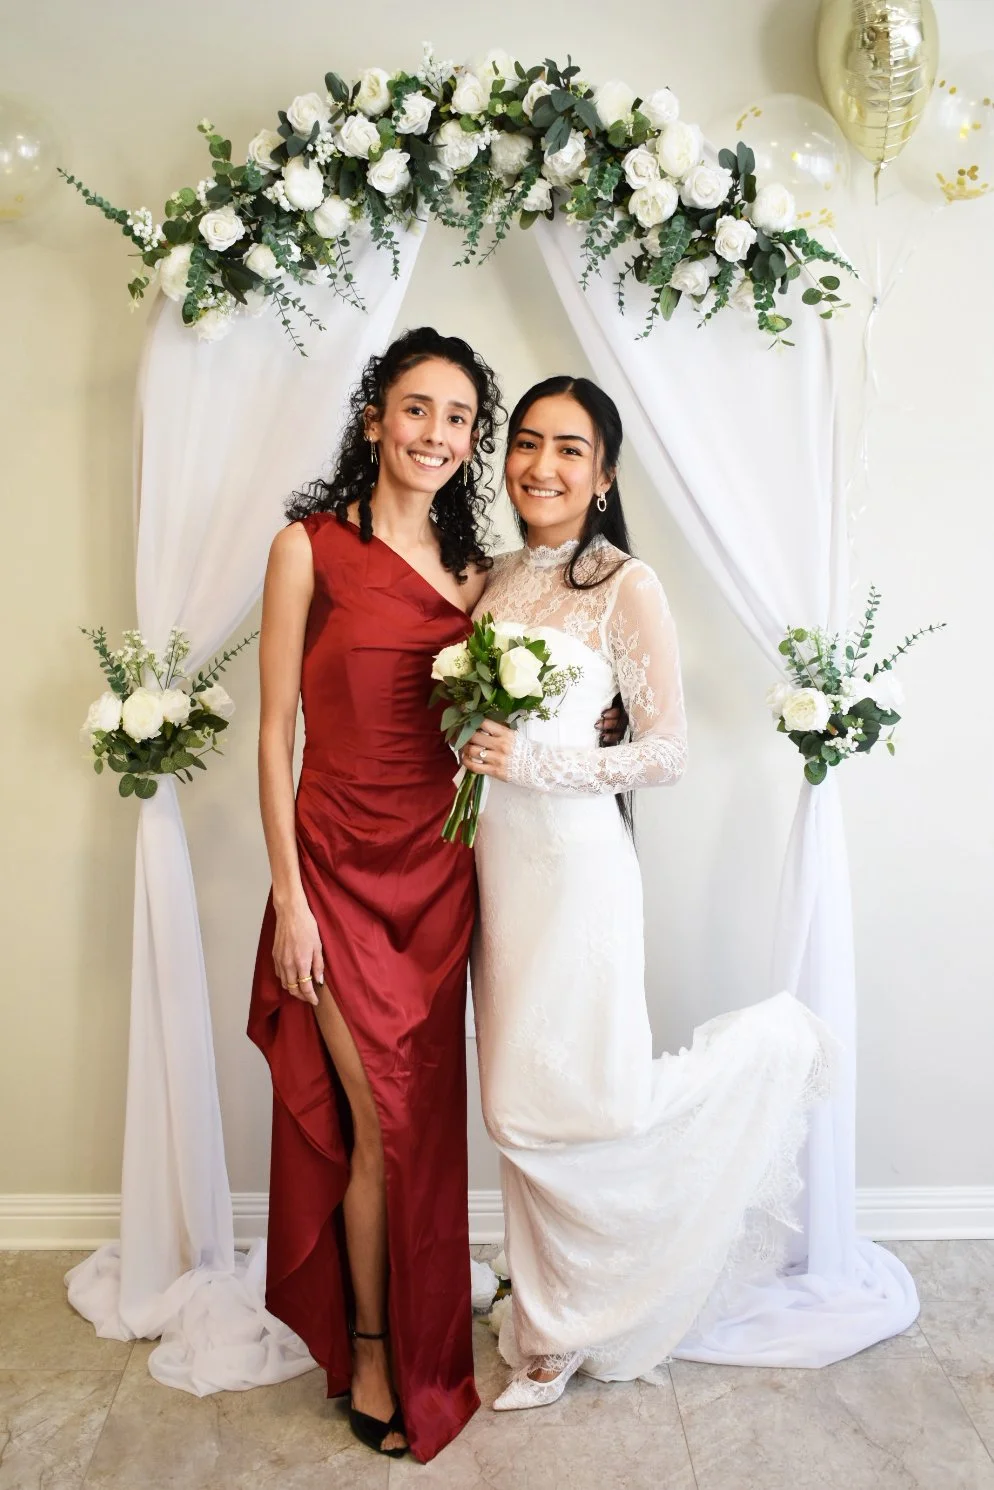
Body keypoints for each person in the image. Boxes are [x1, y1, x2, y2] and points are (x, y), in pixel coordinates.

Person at [462, 376, 836, 1410]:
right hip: (495, 868)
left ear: (603, 472)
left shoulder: (625, 583)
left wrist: (544, 762)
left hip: (577, 867)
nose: (542, 464)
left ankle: (767, 1052)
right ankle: (544, 1312)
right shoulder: (488, 580)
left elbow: (666, 749)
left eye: (569, 449)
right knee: (511, 1097)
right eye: (527, 443)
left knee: (580, 1099)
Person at [246, 327, 498, 1462]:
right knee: (381, 1127)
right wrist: (287, 899)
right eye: (415, 409)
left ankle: (414, 1334)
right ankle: (371, 1346)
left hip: (439, 874)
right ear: (372, 418)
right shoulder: (306, 547)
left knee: (418, 1129)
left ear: (470, 440)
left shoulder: (477, 578)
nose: (433, 433)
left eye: (455, 417)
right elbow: (271, 734)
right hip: (335, 871)